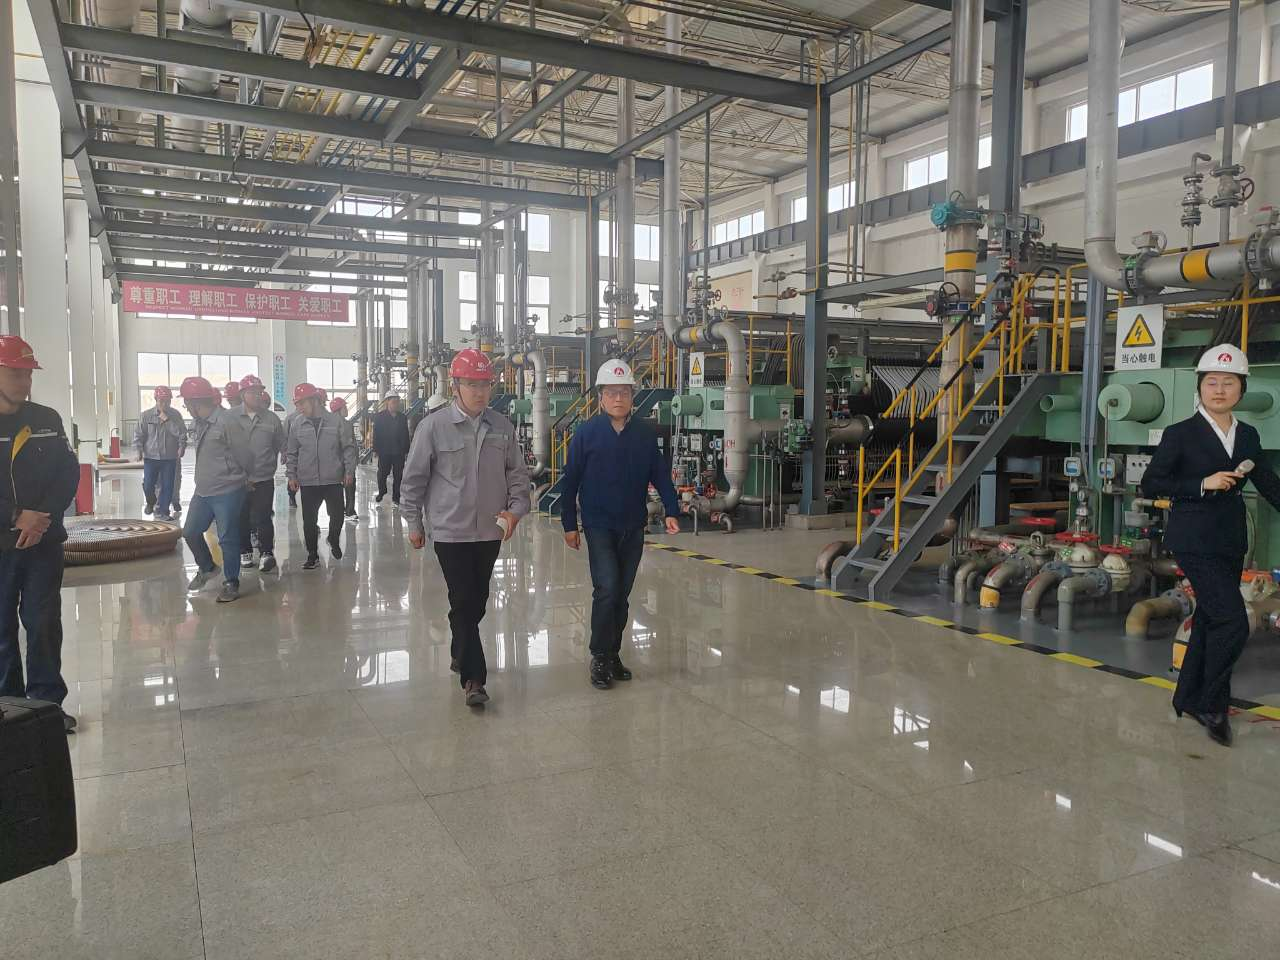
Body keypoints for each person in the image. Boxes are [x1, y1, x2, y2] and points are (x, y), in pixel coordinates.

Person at [1142, 343, 1280, 746]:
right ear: (1200, 387)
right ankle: (1212, 704)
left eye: (1229, 382)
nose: (1219, 390)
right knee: (1233, 621)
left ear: (1241, 389)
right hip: (1193, 538)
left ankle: (1187, 696)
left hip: (1230, 540)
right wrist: (1202, 483)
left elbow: (1267, 482)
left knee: (1209, 618)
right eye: (1212, 382)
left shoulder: (1248, 435)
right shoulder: (1180, 434)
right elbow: (1151, 483)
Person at [401, 349, 529, 706]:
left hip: (490, 530)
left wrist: (516, 512)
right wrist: (413, 522)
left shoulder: (502, 427)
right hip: (449, 531)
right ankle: (474, 679)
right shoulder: (433, 427)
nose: (479, 392)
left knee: (477, 601)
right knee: (462, 598)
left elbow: (517, 475)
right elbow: (413, 479)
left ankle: (460, 650)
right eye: (472, 384)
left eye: (485, 384)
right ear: (455, 386)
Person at [560, 359, 683, 690]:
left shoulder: (644, 434)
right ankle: (599, 656)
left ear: (632, 396)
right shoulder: (586, 434)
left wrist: (671, 509)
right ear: (601, 397)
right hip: (598, 524)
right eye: (612, 392)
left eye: (624, 392)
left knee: (623, 595)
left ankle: (613, 653)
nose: (618, 398)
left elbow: (660, 475)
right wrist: (569, 524)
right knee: (607, 588)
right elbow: (570, 482)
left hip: (632, 525)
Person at [0, 336, 81, 733]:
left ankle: (47, 706)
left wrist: (41, 518)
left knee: (44, 623)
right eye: (15, 373)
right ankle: (10, 708)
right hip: (2, 543)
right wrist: (16, 516)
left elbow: (68, 472)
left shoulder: (46, 419)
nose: (24, 382)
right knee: (1, 629)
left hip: (43, 543)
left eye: (28, 374)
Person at [179, 376, 254, 603]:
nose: (186, 407)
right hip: (203, 490)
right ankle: (207, 567)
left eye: (187, 403)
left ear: (195, 402)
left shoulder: (227, 421)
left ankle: (231, 582)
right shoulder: (198, 423)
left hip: (228, 489)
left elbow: (245, 454)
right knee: (190, 531)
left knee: (227, 538)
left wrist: (247, 477)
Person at [286, 382, 356, 569]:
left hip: (332, 478)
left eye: (302, 403)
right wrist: (292, 475)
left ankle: (333, 538)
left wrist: (349, 471)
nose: (299, 407)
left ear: (315, 400)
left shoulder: (336, 421)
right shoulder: (297, 424)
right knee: (309, 521)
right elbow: (292, 453)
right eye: (297, 404)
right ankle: (312, 555)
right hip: (308, 480)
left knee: (337, 516)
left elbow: (348, 448)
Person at [231, 374, 285, 573]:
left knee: (263, 516)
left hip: (263, 477)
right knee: (241, 517)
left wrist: (273, 459)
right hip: (237, 479)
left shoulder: (271, 418)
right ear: (242, 394)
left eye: (259, 392)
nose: (257, 395)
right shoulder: (230, 418)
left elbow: (278, 443)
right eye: (252, 392)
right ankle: (245, 551)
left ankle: (266, 553)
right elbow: (224, 446)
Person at [134, 385, 186, 521]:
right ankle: (151, 501)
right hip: (151, 457)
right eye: (161, 401)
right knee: (148, 484)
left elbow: (181, 433)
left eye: (167, 401)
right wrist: (139, 450)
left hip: (169, 457)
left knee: (167, 485)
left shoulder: (175, 415)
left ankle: (163, 511)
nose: (164, 404)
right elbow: (139, 434)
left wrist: (181, 446)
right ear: (155, 399)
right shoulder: (146, 415)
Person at [373, 390, 411, 506]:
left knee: (398, 476)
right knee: (382, 474)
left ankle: (396, 497)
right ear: (387, 402)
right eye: (393, 402)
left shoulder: (402, 417)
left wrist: (406, 450)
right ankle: (382, 491)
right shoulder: (379, 417)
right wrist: (376, 449)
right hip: (384, 451)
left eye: (397, 402)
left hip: (398, 451)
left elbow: (405, 434)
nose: (396, 404)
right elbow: (376, 434)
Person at [330, 397, 359, 520]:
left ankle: (339, 510)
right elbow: (349, 447)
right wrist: (350, 468)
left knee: (335, 489)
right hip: (345, 462)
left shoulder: (328, 423)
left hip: (333, 462)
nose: (347, 409)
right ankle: (350, 511)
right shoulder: (345, 424)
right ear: (339, 409)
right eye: (345, 407)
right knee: (350, 486)